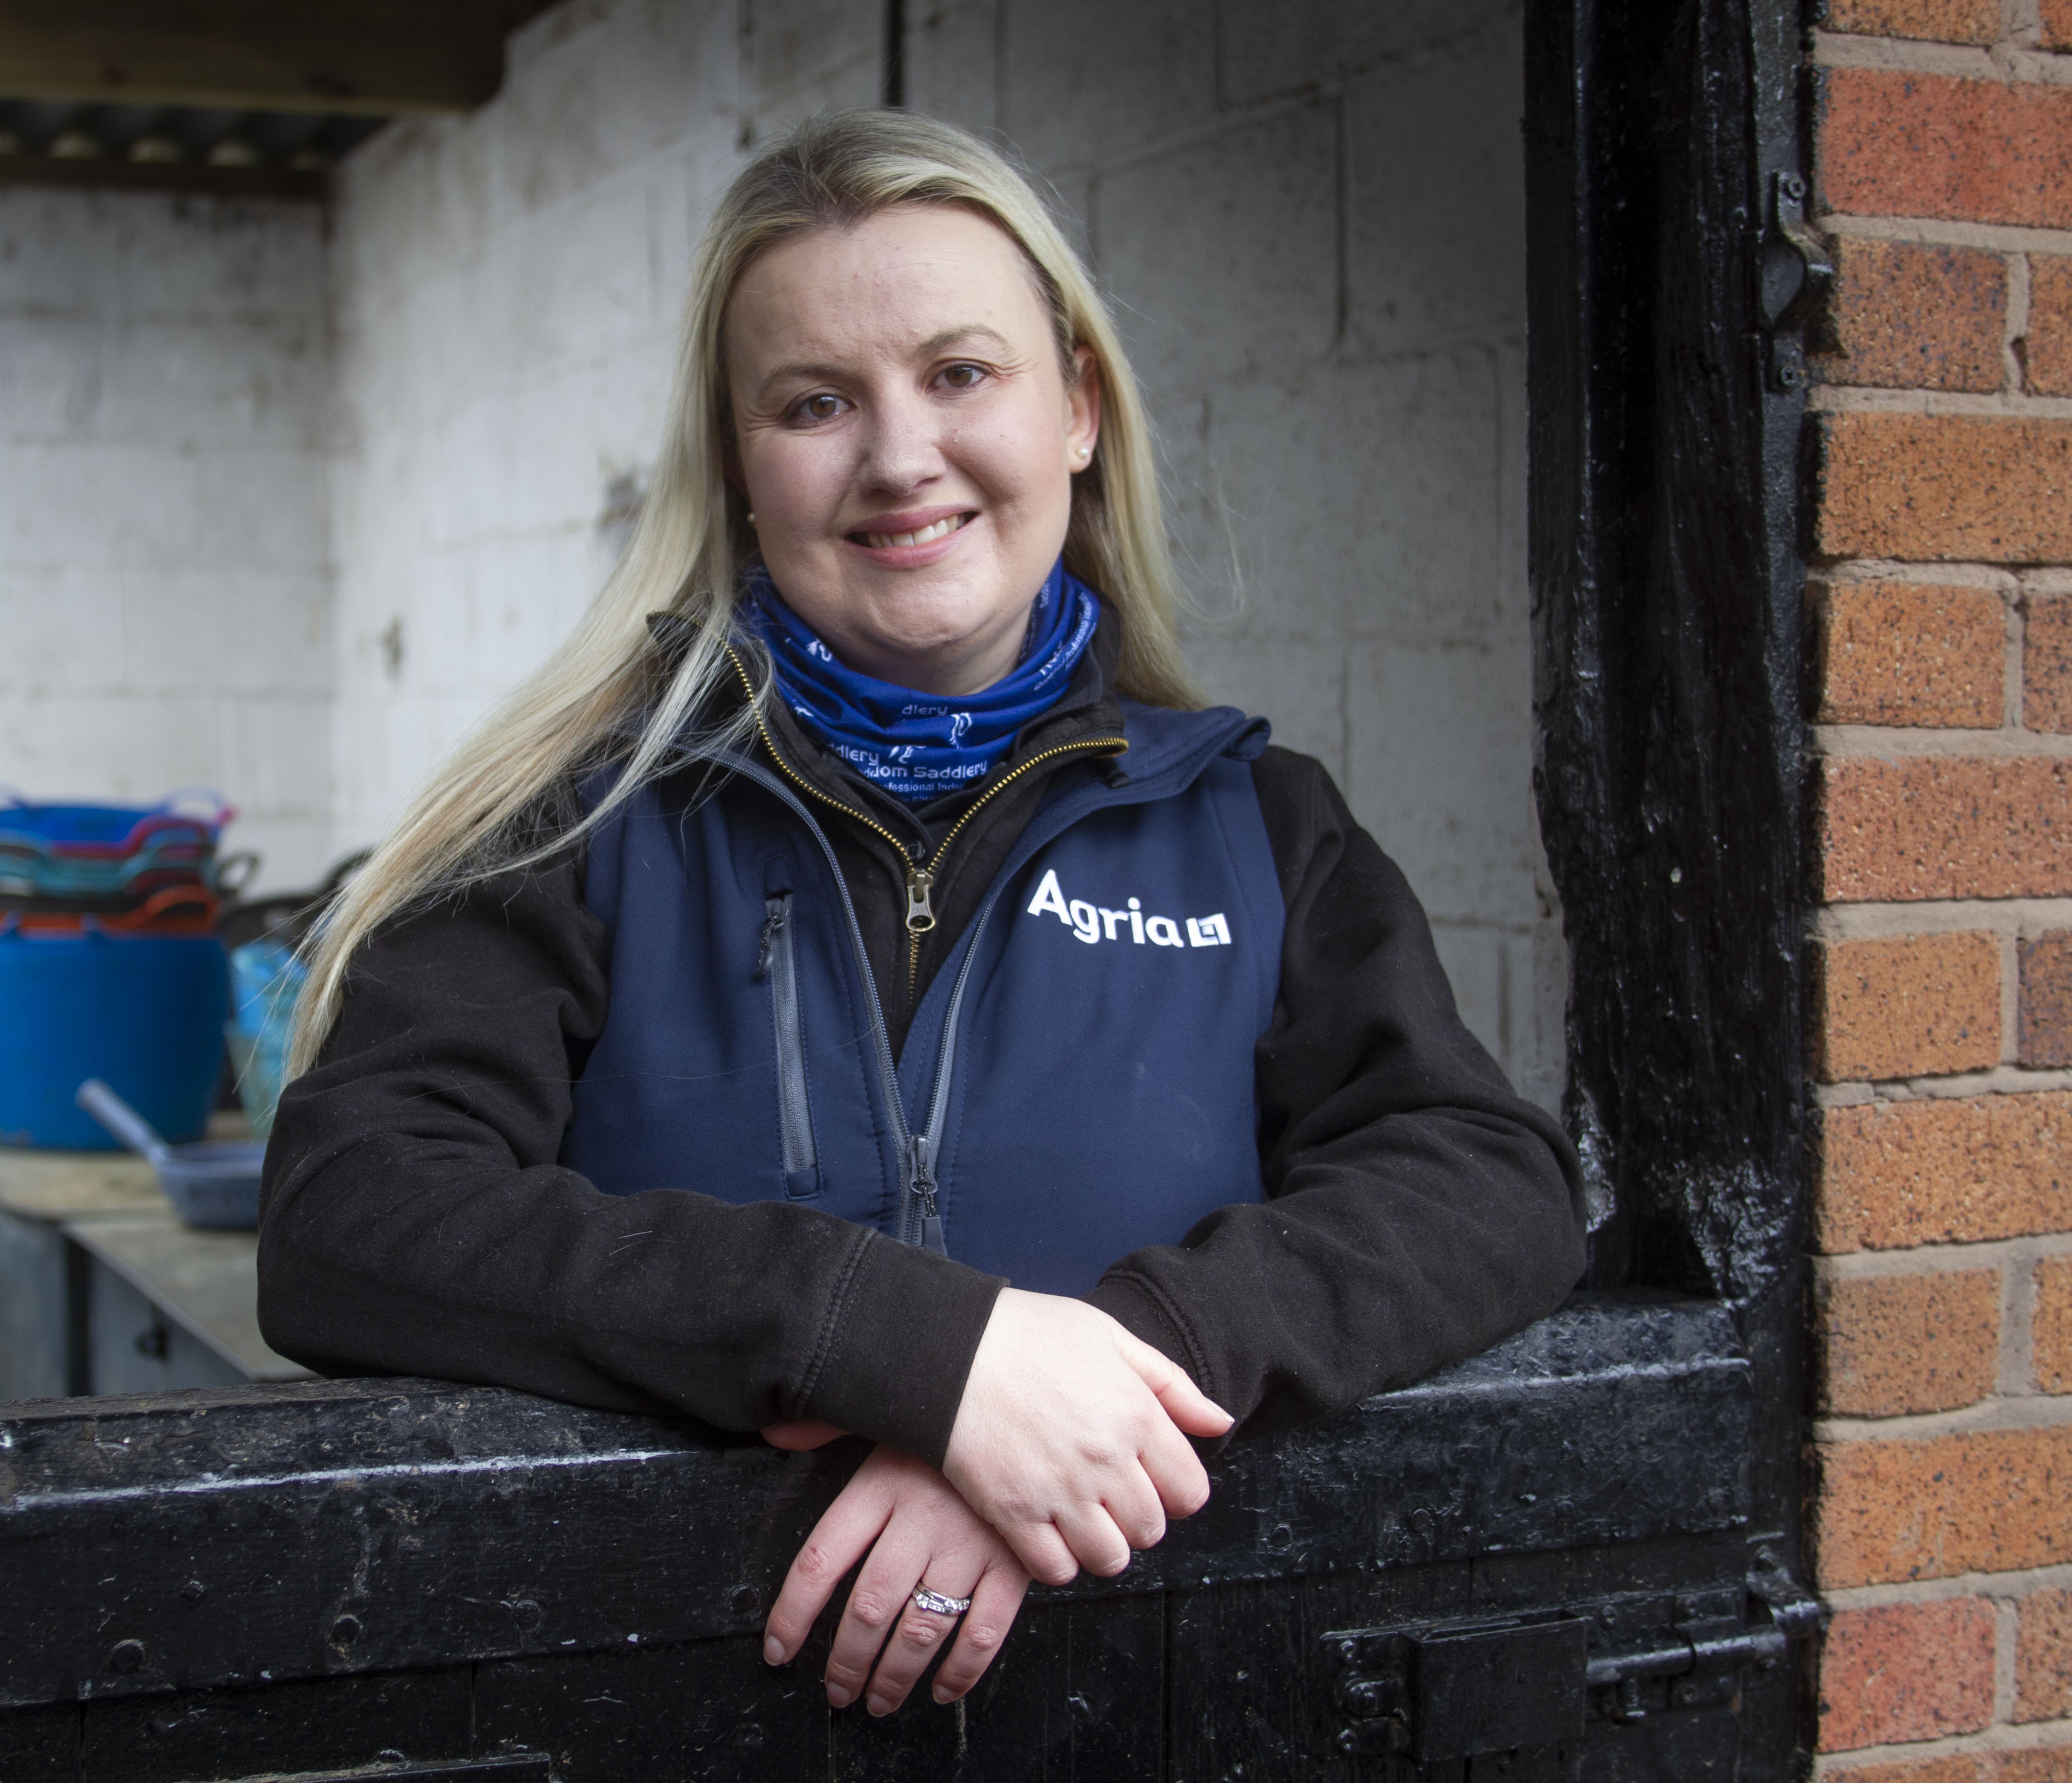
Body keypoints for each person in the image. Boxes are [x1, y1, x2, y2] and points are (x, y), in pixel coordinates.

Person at [258, 110, 1584, 1719]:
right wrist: (909, 1352)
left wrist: (1106, 1374)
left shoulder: (1256, 820)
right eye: (814, 403)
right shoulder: (582, 822)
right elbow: (352, 1215)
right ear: (742, 470)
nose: (899, 457)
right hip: (674, 1711)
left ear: (1078, 409)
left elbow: (1487, 1180)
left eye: (962, 373)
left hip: (1165, 1713)